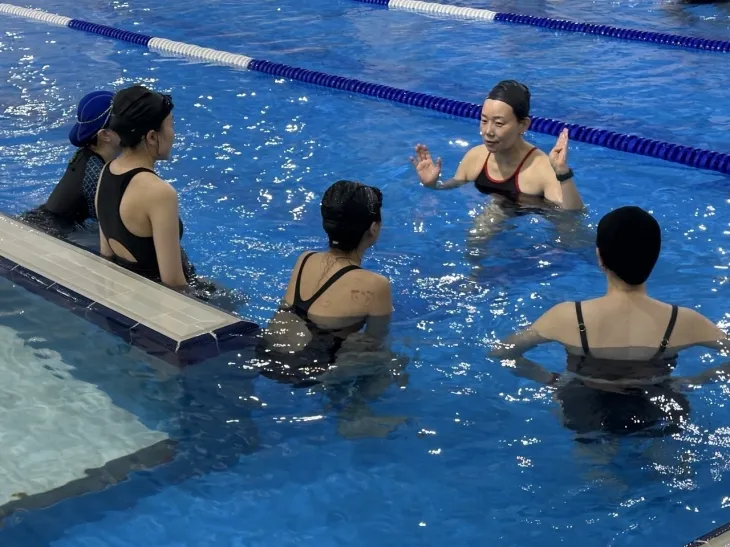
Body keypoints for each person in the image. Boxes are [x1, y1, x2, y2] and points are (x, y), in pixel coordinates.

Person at [489, 206, 730, 439]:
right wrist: (695, 381)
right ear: (655, 257)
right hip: (659, 404)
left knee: (594, 460)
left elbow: (502, 352)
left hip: (584, 404)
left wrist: (551, 380)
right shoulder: (683, 321)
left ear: (599, 256)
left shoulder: (568, 316)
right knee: (661, 456)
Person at [256, 180, 395, 386]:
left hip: (265, 355)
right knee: (391, 361)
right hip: (308, 370)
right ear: (374, 228)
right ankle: (352, 406)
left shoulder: (305, 259)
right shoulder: (376, 285)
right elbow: (374, 343)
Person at [410, 80, 584, 212]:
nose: (488, 131)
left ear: (523, 125)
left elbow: (571, 217)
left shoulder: (542, 168)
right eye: (484, 121)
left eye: (499, 123)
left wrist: (563, 175)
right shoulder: (475, 157)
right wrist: (433, 185)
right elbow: (454, 185)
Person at [95, 84, 189, 289]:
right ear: (152, 137)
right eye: (171, 125)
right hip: (162, 296)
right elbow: (173, 283)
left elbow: (106, 254)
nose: (174, 134)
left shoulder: (108, 170)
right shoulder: (159, 193)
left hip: (130, 289)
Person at [18, 90, 120, 242]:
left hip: (41, 219)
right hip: (49, 234)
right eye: (124, 123)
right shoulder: (97, 175)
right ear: (105, 135)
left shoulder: (86, 152)